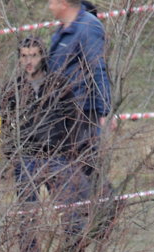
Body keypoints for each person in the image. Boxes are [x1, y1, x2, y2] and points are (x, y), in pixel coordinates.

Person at [0, 36, 89, 252]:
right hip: (26, 159)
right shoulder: (13, 90)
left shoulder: (59, 85)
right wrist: (12, 156)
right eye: (24, 56)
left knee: (70, 213)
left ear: (43, 57)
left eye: (34, 55)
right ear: (18, 59)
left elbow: (75, 120)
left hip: (57, 157)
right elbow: (5, 127)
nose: (29, 61)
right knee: (27, 218)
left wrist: (70, 152)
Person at [46, 0, 112, 172]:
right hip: (63, 114)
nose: (49, 6)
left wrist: (104, 111)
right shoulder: (62, 30)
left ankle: (105, 199)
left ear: (63, 4)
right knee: (68, 173)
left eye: (51, 2)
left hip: (84, 113)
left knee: (87, 171)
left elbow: (98, 68)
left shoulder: (88, 27)